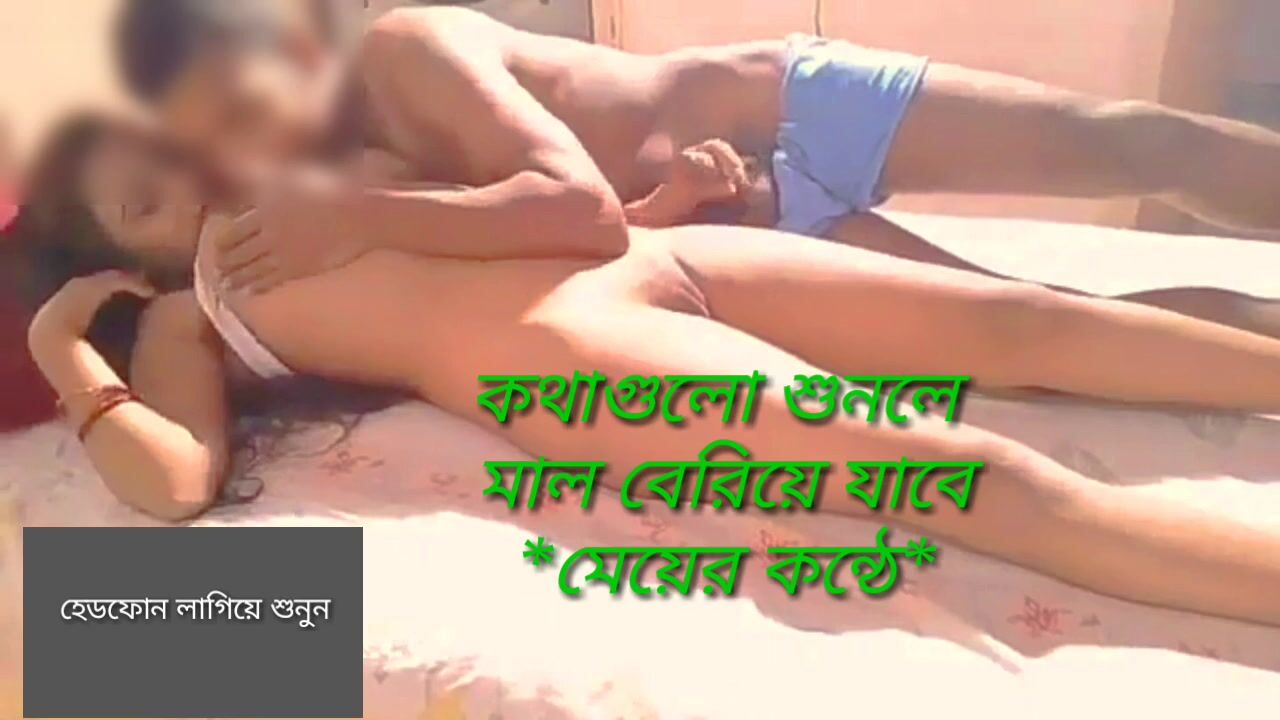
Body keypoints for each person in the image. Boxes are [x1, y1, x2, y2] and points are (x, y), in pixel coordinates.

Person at [13, 114, 1280, 627]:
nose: (187, 183)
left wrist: (656, 206)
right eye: (144, 199)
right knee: (973, 475)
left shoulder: (321, 171)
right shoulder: (190, 311)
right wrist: (64, 351)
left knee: (1027, 327)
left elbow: (548, 223)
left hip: (658, 259)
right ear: (120, 261)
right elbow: (176, 484)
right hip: (578, 360)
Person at [111, 1, 1280, 295]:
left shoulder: (400, 50)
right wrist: (670, 206)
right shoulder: (348, 184)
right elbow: (585, 241)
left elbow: (565, 204)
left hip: (790, 110)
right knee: (1049, 324)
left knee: (1140, 143)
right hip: (744, 218)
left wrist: (358, 218)